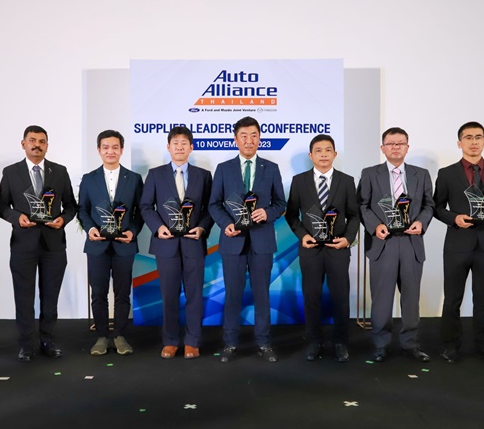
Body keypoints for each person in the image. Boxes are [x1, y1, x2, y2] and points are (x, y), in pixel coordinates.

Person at [0, 125, 77, 362]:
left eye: (42, 141)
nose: (37, 145)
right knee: (24, 296)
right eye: (32, 141)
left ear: (47, 146)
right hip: (23, 243)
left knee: (50, 296)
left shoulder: (59, 171)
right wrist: (16, 218)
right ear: (24, 144)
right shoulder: (11, 172)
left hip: (54, 244)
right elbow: (1, 206)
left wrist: (63, 219)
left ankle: (47, 340)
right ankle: (26, 344)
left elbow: (71, 205)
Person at [208, 116, 286, 363]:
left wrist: (268, 213)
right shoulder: (223, 168)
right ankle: (230, 343)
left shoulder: (271, 168)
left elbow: (280, 203)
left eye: (253, 135)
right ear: (236, 139)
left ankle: (264, 343)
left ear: (259, 138)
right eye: (244, 136)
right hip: (233, 240)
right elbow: (214, 204)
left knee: (262, 293)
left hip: (262, 241)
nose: (249, 140)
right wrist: (226, 224)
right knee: (232, 293)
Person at [433, 122, 484, 365]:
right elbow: (436, 207)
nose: (474, 141)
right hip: (458, 243)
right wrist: (454, 218)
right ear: (460, 143)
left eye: (478, 137)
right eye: (468, 137)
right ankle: (450, 346)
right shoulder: (447, 173)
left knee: (483, 299)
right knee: (452, 299)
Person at [358, 127, 434, 363]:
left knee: (411, 299)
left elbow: (429, 205)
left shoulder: (421, 174)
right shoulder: (370, 174)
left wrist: (421, 223)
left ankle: (411, 344)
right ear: (383, 148)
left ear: (407, 147)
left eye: (400, 143)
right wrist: (375, 226)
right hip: (383, 242)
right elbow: (362, 205)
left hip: (411, 242)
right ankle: (381, 345)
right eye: (391, 143)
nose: (396, 147)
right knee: (382, 299)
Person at [285, 134, 359, 362]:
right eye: (318, 150)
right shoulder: (299, 181)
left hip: (337, 247)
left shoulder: (346, 181)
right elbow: (291, 215)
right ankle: (314, 341)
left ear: (335, 154)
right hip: (311, 248)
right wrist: (303, 236)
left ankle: (341, 342)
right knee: (311, 296)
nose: (324, 154)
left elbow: (354, 215)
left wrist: (348, 239)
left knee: (340, 296)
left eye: (328, 150)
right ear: (311, 155)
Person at [141, 126, 213, 359]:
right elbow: (145, 206)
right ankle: (170, 341)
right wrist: (158, 227)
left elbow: (211, 208)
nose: (180, 147)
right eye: (175, 143)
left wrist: (201, 228)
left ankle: (192, 341)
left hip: (193, 243)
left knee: (194, 295)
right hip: (166, 243)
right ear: (168, 147)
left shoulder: (203, 176)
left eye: (184, 143)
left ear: (191, 147)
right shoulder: (155, 174)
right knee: (169, 295)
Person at [77, 130, 143, 356]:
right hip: (98, 244)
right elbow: (83, 210)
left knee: (123, 293)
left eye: (115, 147)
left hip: (125, 244)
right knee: (98, 292)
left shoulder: (134, 179)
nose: (110, 151)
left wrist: (133, 231)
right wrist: (91, 229)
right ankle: (102, 336)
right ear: (99, 150)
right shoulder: (89, 179)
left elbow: (140, 211)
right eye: (105, 147)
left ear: (121, 150)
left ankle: (120, 336)